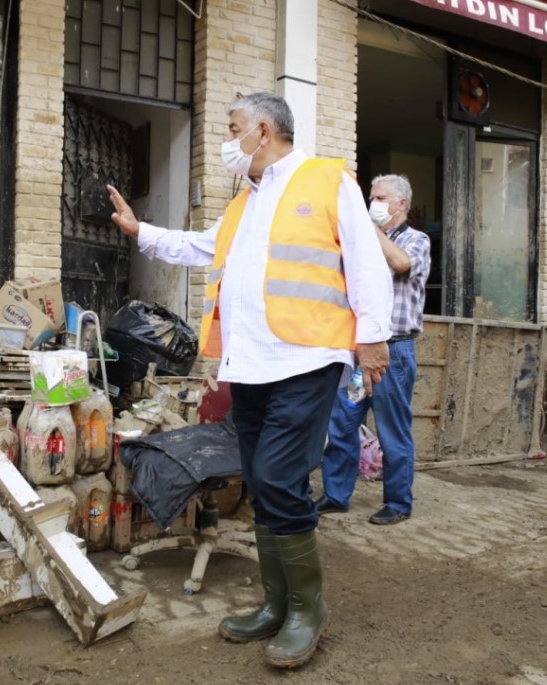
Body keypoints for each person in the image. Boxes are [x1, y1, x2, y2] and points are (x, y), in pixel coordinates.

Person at [107, 92, 393, 669]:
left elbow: (365, 259)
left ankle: (308, 611)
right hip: (252, 362)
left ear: (263, 131)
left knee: (282, 479)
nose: (227, 139)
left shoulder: (325, 180)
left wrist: (374, 336)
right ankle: (276, 604)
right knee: (263, 483)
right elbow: (204, 249)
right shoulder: (246, 200)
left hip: (306, 357)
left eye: (232, 127)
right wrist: (141, 232)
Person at [317, 174, 430, 525]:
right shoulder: (361, 241)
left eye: (380, 198)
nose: (373, 203)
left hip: (393, 353)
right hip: (356, 353)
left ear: (401, 205)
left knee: (392, 429)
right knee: (342, 424)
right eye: (371, 197)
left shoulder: (416, 239)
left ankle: (398, 502)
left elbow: (400, 264)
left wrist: (370, 230)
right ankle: (336, 494)